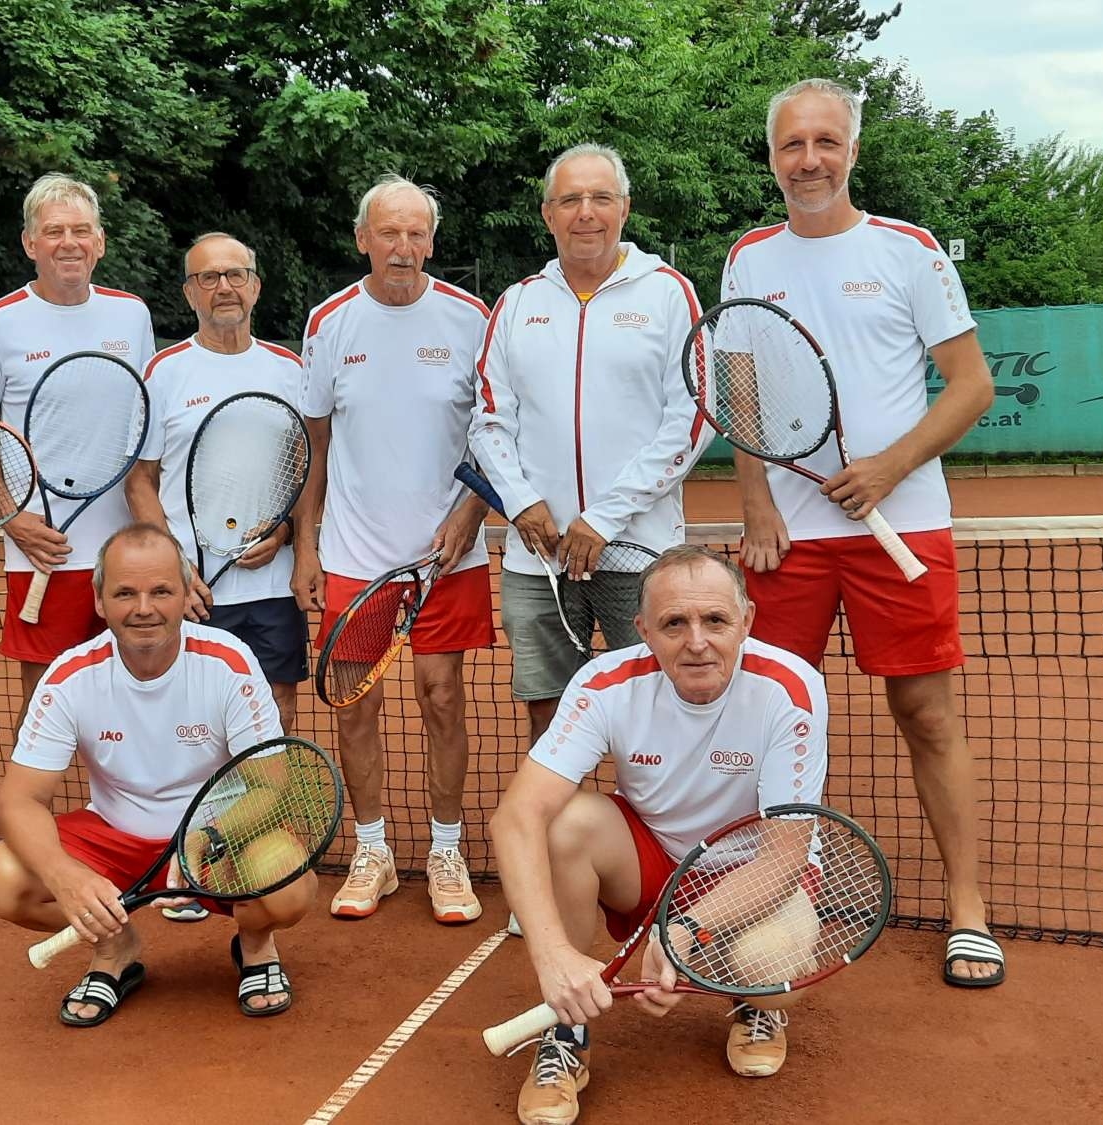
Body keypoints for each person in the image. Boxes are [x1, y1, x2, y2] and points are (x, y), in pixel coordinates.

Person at [721, 78, 999, 986]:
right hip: (787, 541)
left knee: (925, 714)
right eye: (793, 144)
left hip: (904, 527)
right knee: (765, 714)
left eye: (826, 142)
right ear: (773, 158)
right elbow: (743, 394)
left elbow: (970, 386)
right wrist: (757, 502)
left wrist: (888, 466)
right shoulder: (748, 260)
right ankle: (770, 878)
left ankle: (968, 910)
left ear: (852, 151)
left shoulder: (912, 252)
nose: (810, 159)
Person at [491, 546, 829, 1124]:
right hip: (649, 863)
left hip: (752, 874)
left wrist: (683, 933)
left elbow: (782, 857)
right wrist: (552, 958)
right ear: (643, 629)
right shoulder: (605, 683)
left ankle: (756, 1006)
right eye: (674, 623)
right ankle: (566, 1032)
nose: (696, 641)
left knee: (768, 972)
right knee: (564, 822)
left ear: (746, 620)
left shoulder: (789, 690)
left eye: (715, 620)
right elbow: (515, 818)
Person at [0, 523, 316, 1026]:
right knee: (3, 881)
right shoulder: (70, 676)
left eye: (161, 591)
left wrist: (204, 839)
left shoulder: (229, 663)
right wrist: (65, 877)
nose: (143, 608)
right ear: (99, 601)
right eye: (125, 593)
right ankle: (115, 947)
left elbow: (271, 786)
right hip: (116, 837)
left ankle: (256, 943)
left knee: (288, 885)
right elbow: (19, 801)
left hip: (217, 840)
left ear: (186, 595)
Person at [292, 174, 493, 924]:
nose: (403, 248)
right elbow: (314, 446)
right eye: (389, 233)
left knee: (444, 700)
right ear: (363, 239)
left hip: (448, 558)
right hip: (352, 557)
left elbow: (495, 435)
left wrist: (472, 510)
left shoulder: (472, 317)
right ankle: (371, 849)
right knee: (355, 707)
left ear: (431, 241)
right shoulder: (329, 321)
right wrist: (306, 549)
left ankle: (447, 849)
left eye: (416, 233)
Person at [470, 143, 714, 751]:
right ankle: (561, 842)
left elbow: (693, 419)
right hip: (537, 556)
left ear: (624, 209)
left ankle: (664, 841)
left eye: (601, 198)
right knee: (548, 714)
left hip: (639, 552)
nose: (586, 212)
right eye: (570, 199)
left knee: (662, 705)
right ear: (548, 214)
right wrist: (523, 503)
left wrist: (603, 519)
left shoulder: (668, 292)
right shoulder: (518, 301)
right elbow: (488, 420)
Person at [132, 231, 307, 923]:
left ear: (257, 285)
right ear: (189, 293)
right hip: (192, 588)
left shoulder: (293, 370)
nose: (224, 288)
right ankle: (190, 854)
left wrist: (290, 529)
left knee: (277, 716)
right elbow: (140, 483)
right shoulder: (164, 371)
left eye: (235, 275)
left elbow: (308, 471)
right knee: (193, 724)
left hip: (270, 585)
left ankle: (254, 839)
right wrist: (173, 562)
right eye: (208, 278)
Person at [0, 173, 155, 732]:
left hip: (125, 548)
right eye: (53, 232)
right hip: (44, 548)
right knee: (46, 700)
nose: (69, 242)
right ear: (29, 244)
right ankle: (33, 813)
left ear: (100, 242)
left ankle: (116, 813)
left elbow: (145, 427)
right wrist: (11, 517)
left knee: (132, 692)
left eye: (81, 230)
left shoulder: (132, 315)